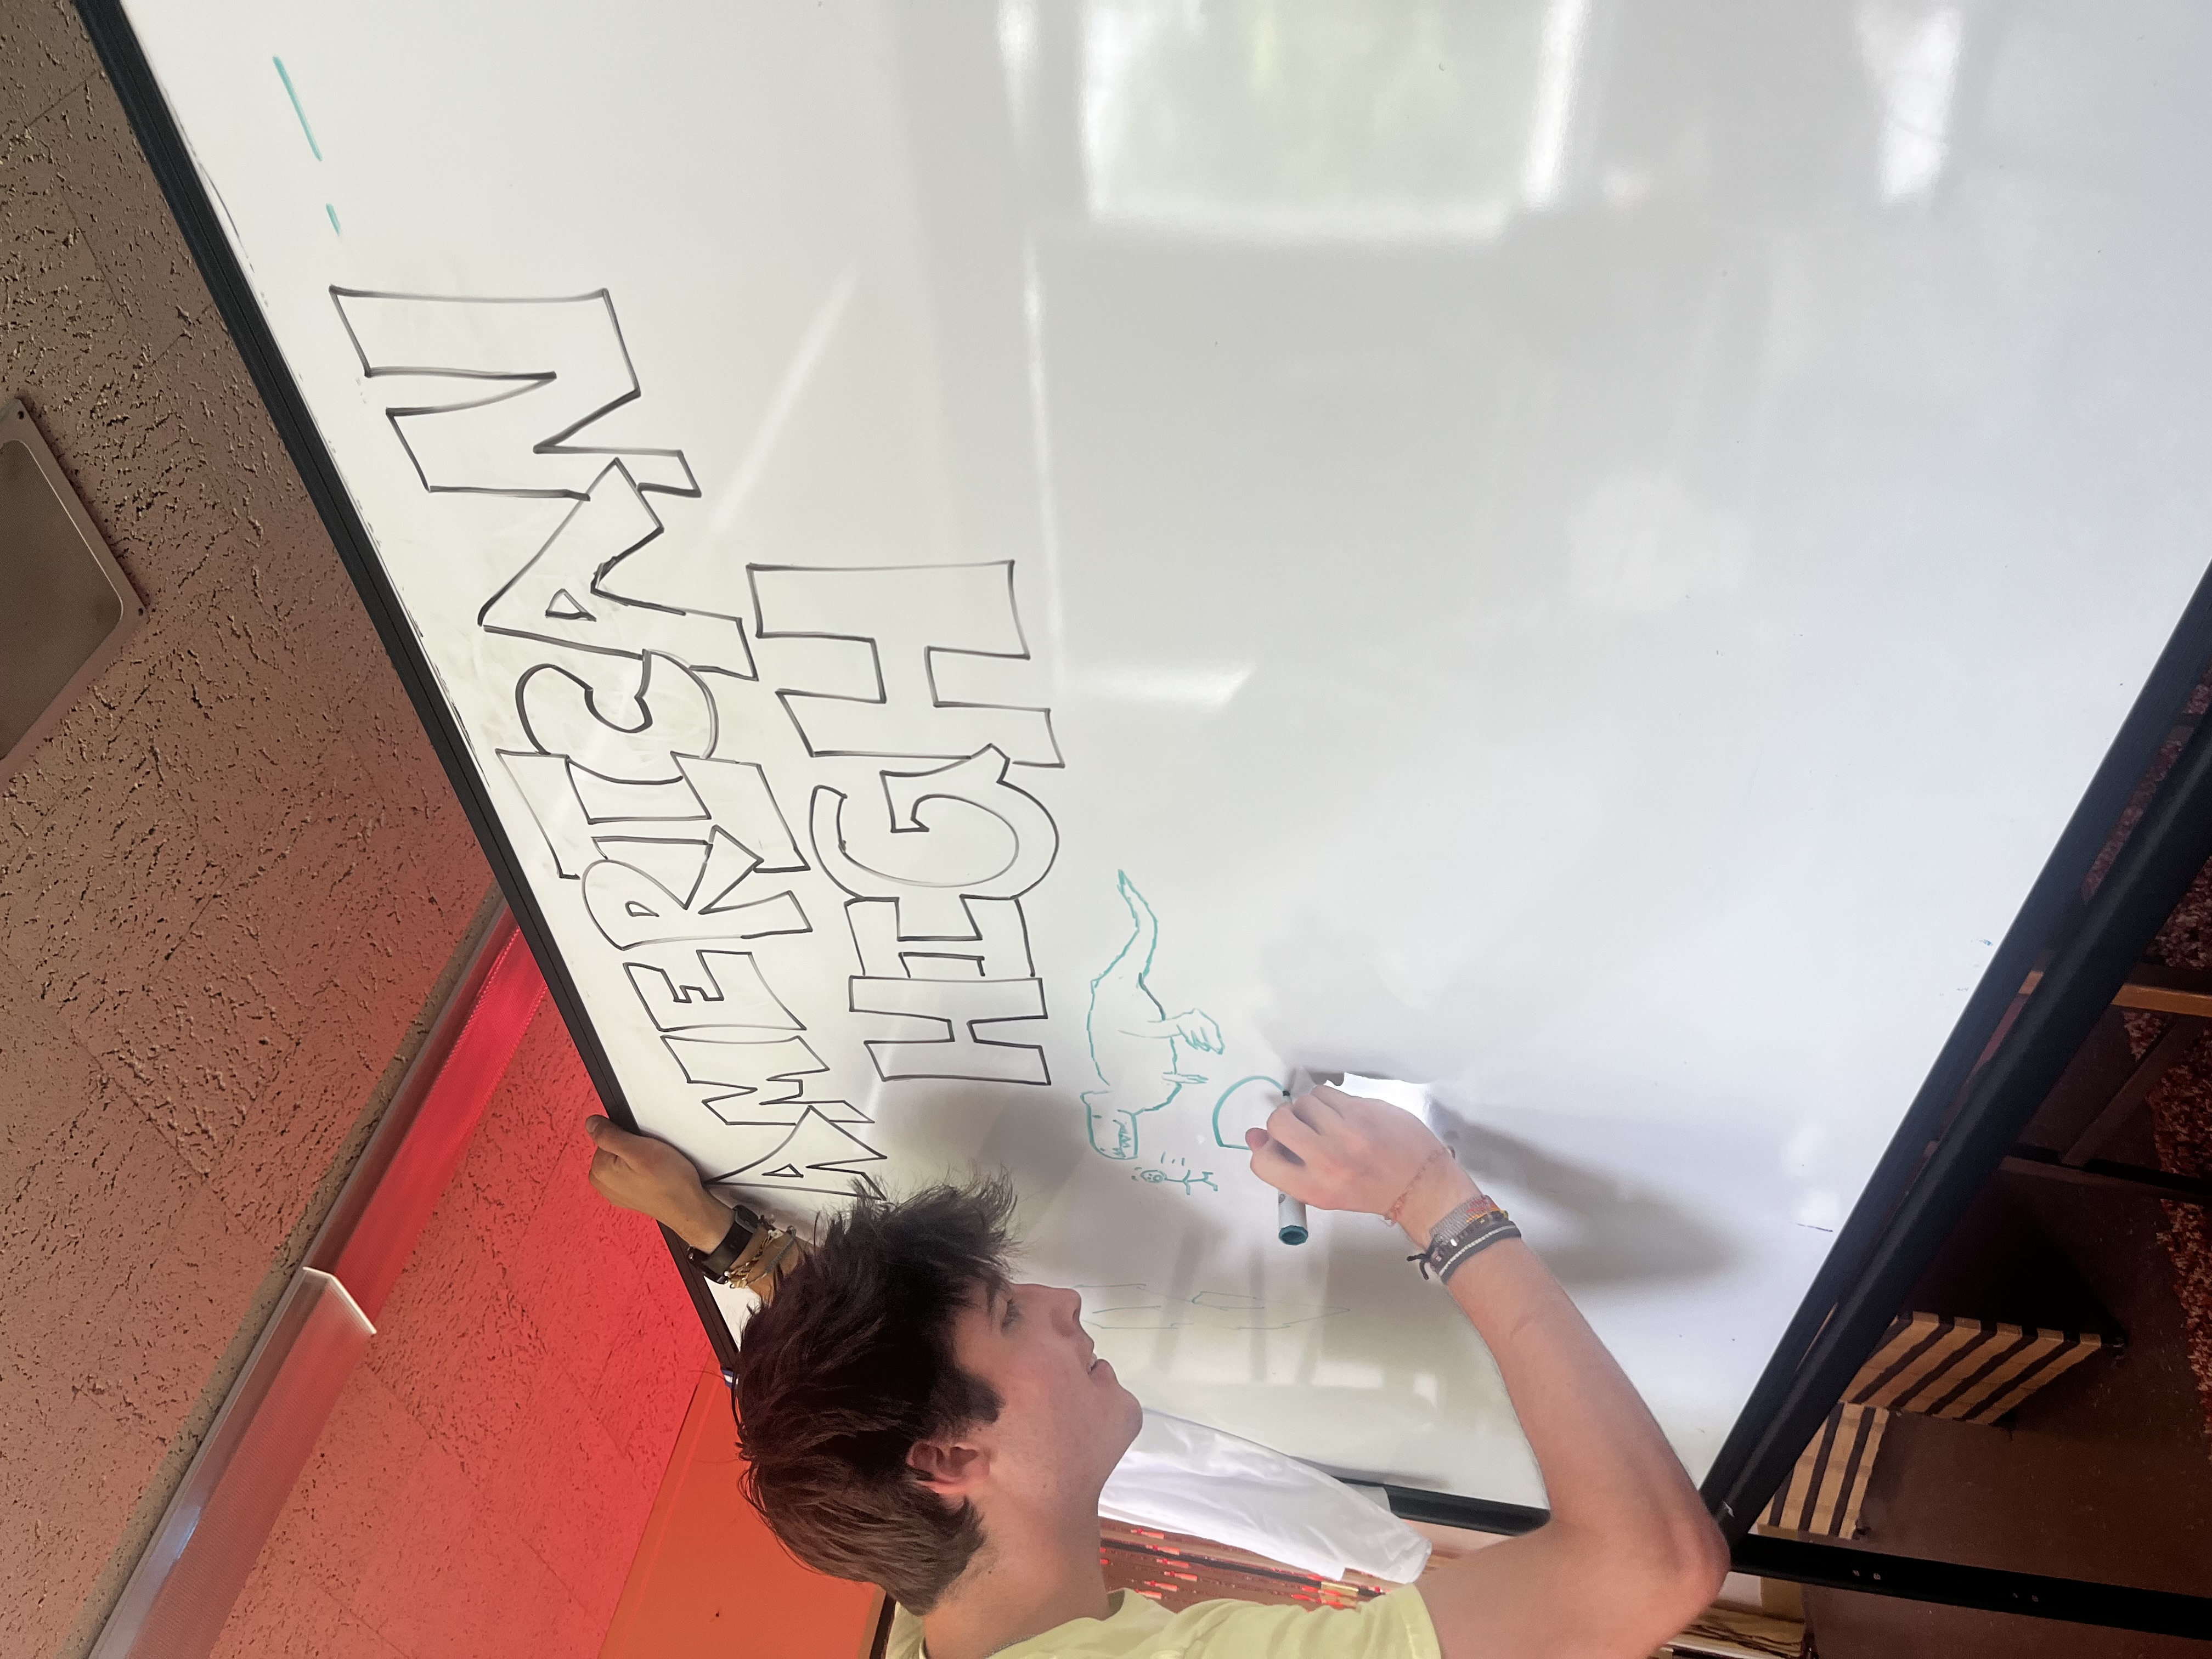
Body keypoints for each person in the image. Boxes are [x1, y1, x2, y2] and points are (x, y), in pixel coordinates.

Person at [585, 1085, 1729, 1659]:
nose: (1064, 1301)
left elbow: (876, 1407)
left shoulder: (956, 1578)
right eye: (1010, 1313)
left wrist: (721, 1240)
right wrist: (1430, 1199)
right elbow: (1650, 1569)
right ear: (949, 1457)